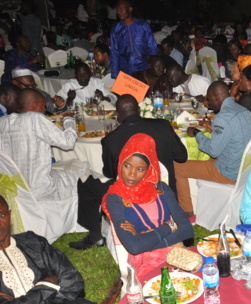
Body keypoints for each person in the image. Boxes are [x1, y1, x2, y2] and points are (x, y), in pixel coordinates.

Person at [69, 94, 188, 250]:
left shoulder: (111, 139)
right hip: (165, 190)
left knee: (85, 183)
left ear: (118, 116)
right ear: (139, 110)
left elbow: (111, 174)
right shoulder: (163, 125)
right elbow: (182, 157)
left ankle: (95, 236)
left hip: (135, 197)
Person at [102, 134, 193, 279]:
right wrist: (170, 227)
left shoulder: (161, 189)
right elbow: (135, 247)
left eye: (140, 169)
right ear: (120, 164)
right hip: (145, 262)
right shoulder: (115, 198)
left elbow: (188, 230)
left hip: (177, 255)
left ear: (149, 170)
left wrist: (146, 238)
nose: (131, 174)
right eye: (127, 166)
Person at [175, 82, 251, 216]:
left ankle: (187, 213)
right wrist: (213, 130)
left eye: (208, 99)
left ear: (215, 98)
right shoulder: (245, 111)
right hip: (246, 170)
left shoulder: (222, 117)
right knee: (208, 158)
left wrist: (197, 133)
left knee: (178, 167)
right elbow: (235, 136)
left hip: (229, 174)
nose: (208, 103)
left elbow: (214, 150)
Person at [0, 90, 80, 202]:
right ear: (35, 104)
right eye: (44, 106)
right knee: (83, 173)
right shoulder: (35, 119)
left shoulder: (2, 122)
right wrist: (69, 119)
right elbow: (68, 143)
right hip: (39, 189)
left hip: (13, 190)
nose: (45, 110)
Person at [110, 0, 157, 78]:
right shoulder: (116, 29)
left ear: (130, 9)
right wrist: (115, 75)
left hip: (143, 68)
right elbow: (114, 53)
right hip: (125, 70)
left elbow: (152, 47)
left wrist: (153, 68)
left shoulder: (143, 25)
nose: (119, 11)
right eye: (117, 9)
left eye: (122, 8)